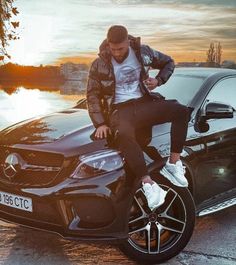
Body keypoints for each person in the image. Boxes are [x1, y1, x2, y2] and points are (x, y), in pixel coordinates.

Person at [86, 25, 190, 211]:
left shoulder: (144, 53)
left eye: (121, 48)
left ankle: (174, 163)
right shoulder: (99, 63)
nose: (117, 53)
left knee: (181, 111)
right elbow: (92, 94)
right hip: (119, 110)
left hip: (144, 103)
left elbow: (169, 62)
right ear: (108, 44)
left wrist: (158, 80)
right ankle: (148, 184)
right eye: (113, 49)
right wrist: (100, 123)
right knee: (124, 134)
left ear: (128, 41)